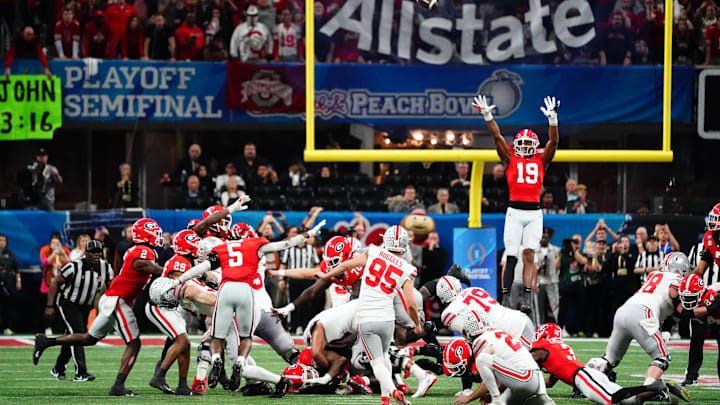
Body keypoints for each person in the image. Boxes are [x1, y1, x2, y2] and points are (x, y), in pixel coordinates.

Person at [168, 219, 326, 396]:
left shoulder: (224, 249)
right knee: (290, 353)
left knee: (216, 344)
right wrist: (308, 234)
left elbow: (210, 272)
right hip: (265, 310)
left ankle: (211, 376)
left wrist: (182, 279)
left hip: (239, 308)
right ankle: (319, 378)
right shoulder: (257, 248)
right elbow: (286, 244)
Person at [33, 218, 166, 397]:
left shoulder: (137, 251)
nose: (158, 237)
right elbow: (146, 265)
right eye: (155, 233)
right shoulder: (143, 251)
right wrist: (171, 273)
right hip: (116, 300)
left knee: (89, 338)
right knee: (134, 343)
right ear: (147, 234)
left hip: (112, 298)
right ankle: (118, 386)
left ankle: (46, 341)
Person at [316, 225, 422, 405]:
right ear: (405, 245)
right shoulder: (407, 268)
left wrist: (327, 275)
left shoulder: (373, 252)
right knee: (386, 356)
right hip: (388, 319)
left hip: (367, 317)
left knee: (377, 363)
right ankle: (385, 398)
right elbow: (411, 304)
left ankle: (393, 391)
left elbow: (347, 265)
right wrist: (417, 323)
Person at [473, 95, 559, 314]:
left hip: (534, 213)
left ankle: (528, 298)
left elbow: (554, 142)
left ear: (535, 147)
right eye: (522, 144)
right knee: (510, 256)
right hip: (514, 211)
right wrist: (487, 116)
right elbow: (497, 137)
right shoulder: (510, 158)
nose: (525, 148)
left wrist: (553, 121)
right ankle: (505, 299)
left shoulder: (542, 160)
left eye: (529, 145)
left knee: (529, 254)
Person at [587, 269, 690, 402]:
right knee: (662, 358)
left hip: (623, 310)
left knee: (609, 360)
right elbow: (676, 300)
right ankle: (648, 391)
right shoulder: (678, 281)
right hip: (643, 313)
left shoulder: (654, 274)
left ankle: (586, 382)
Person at [531, 323, 666, 404]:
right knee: (631, 402)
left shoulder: (541, 347)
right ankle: (659, 390)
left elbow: (526, 367)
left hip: (582, 377)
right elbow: (549, 382)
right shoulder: (560, 348)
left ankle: (653, 386)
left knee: (610, 400)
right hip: (590, 374)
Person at [445, 313, 552, 405]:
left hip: (524, 378)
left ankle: (497, 399)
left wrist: (470, 397)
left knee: (482, 360)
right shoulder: (496, 333)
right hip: (535, 379)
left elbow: (492, 378)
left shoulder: (480, 341)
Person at [45, 240, 113, 382]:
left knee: (73, 336)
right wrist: (50, 306)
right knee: (78, 334)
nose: (95, 255)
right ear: (85, 253)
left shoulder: (105, 268)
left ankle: (58, 368)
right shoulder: (74, 266)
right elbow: (55, 282)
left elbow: (112, 287)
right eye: (92, 252)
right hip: (68, 303)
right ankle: (81, 372)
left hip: (86, 306)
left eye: (98, 252)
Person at [679, 273, 720, 386]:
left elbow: (716, 304)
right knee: (695, 344)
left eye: (691, 297)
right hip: (702, 319)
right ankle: (691, 376)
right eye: (686, 297)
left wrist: (705, 309)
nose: (688, 300)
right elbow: (683, 312)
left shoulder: (712, 295)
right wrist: (697, 311)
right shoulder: (688, 302)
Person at [279, 225, 322, 334]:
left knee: (306, 302)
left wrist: (319, 278)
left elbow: (317, 265)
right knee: (293, 301)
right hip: (293, 279)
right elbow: (283, 264)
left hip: (307, 279)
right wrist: (281, 279)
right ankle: (293, 326)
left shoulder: (311, 249)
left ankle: (304, 325)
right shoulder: (290, 249)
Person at [557, 235, 587, 336]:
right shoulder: (563, 254)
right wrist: (561, 254)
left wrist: (574, 251)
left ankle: (577, 330)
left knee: (579, 310)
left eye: (575, 242)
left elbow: (583, 261)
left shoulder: (580, 253)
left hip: (578, 286)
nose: (573, 244)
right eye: (572, 242)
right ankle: (560, 328)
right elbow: (555, 266)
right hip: (565, 286)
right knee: (563, 309)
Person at [536, 227, 560, 324]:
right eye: (542, 236)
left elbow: (559, 263)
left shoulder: (555, 250)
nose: (544, 238)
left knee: (556, 306)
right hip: (539, 281)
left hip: (552, 281)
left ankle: (560, 326)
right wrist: (539, 268)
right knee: (539, 307)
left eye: (546, 236)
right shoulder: (534, 250)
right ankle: (539, 326)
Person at [0, 234, 20, 336]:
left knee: (7, 307)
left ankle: (7, 328)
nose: (1, 242)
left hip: (8, 285)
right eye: (0, 240)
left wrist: (18, 281)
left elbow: (16, 269)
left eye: (3, 240)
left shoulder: (10, 254)